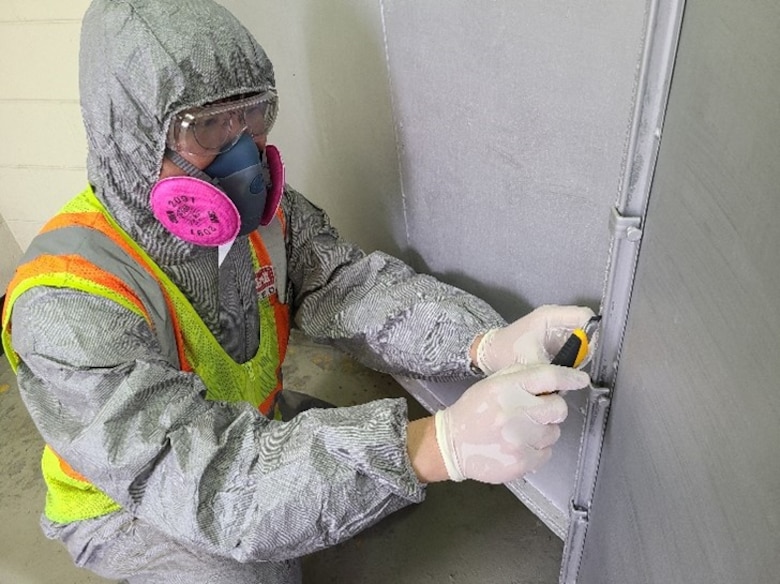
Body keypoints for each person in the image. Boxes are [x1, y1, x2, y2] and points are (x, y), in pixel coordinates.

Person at [0, 1, 594, 582]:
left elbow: (347, 286)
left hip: (240, 421)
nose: (242, 150)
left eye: (252, 116)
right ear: (132, 139)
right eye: (207, 126)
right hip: (126, 497)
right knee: (261, 568)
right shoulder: (68, 304)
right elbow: (202, 479)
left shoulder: (265, 217)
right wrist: (432, 446)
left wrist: (485, 343)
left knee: (370, 483)